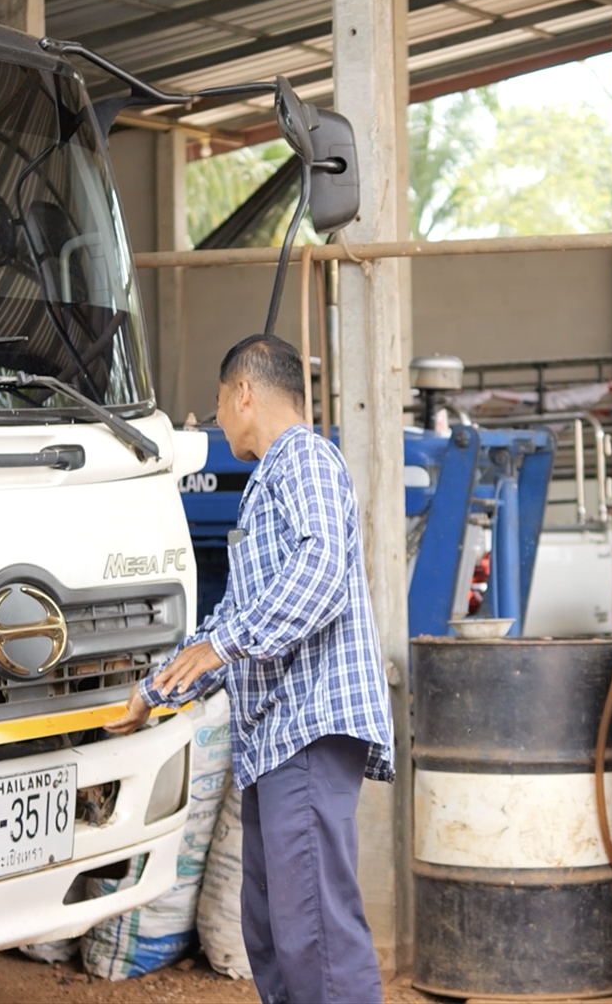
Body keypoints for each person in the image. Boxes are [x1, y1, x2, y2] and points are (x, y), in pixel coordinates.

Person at [106, 334, 393, 1004]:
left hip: (308, 727)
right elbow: (233, 618)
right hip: (274, 739)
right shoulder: (267, 484)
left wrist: (224, 645)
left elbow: (322, 571)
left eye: (216, 402)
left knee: (316, 931)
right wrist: (152, 692)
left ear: (243, 392)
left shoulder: (305, 459)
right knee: (271, 929)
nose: (216, 418)